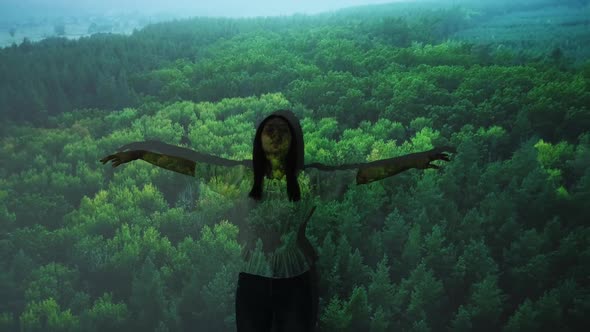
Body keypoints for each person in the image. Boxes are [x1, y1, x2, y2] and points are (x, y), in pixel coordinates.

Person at [100, 109, 454, 331]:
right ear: (259, 138)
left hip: (295, 280)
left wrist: (414, 159)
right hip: (253, 278)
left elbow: (364, 173)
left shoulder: (311, 181)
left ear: (292, 139)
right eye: (268, 128)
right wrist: (144, 154)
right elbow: (189, 166)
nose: (273, 132)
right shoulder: (241, 178)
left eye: (280, 129)